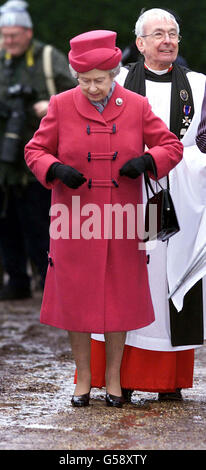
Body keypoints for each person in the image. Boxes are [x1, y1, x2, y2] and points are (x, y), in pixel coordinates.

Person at [24, 29, 183, 407]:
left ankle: (113, 379)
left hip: (124, 218)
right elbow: (34, 150)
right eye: (84, 81)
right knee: (76, 302)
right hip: (74, 217)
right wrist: (55, 168)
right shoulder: (61, 104)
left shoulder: (137, 104)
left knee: (120, 301)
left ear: (114, 74)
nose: (92, 88)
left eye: (99, 81)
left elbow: (170, 146)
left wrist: (148, 160)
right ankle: (84, 381)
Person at [90, 8, 206, 402]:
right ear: (139, 43)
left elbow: (204, 144)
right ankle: (117, 377)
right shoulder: (115, 82)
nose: (168, 41)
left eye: (173, 33)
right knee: (126, 280)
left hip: (177, 200)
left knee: (167, 281)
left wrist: (167, 163)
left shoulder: (199, 86)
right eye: (158, 34)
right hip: (124, 195)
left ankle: (167, 378)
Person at [0, 0, 76, 300]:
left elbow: (79, 90)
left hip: (39, 160)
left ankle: (50, 284)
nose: (9, 41)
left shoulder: (47, 58)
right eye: (4, 36)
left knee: (40, 225)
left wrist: (51, 104)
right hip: (4, 162)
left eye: (14, 35)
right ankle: (16, 282)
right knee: (6, 225)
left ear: (28, 33)